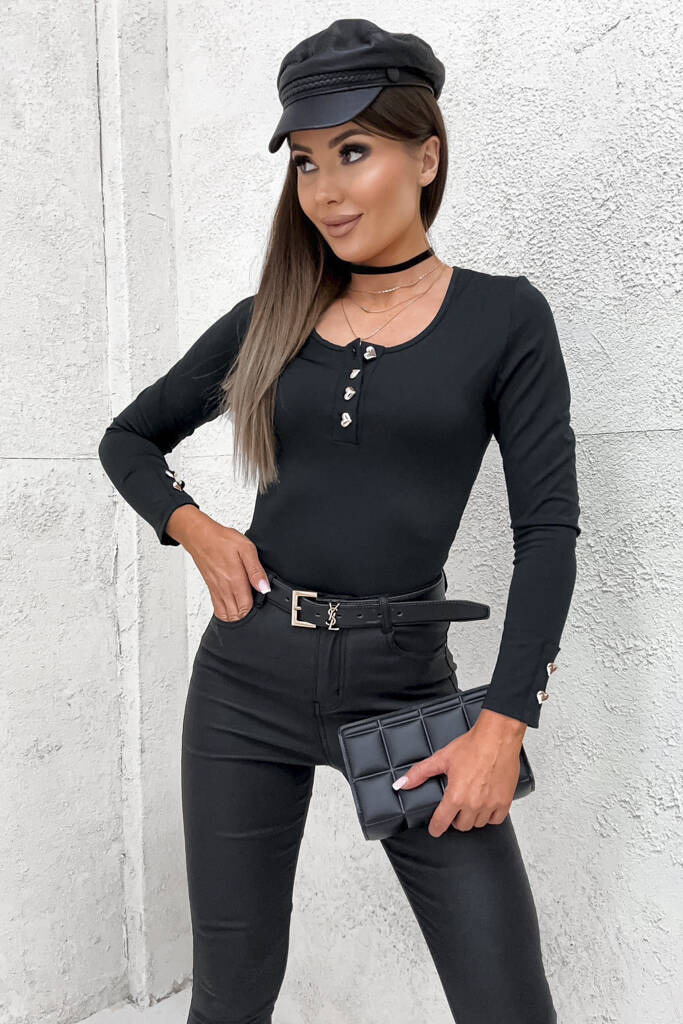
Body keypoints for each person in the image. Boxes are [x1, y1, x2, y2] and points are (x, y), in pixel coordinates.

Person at [98, 18, 581, 1024]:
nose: (322, 189)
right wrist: (194, 528)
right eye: (306, 161)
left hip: (404, 693)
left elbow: (546, 530)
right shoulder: (266, 319)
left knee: (506, 1001)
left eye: (352, 151)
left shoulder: (503, 318)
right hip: (244, 683)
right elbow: (129, 439)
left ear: (425, 156)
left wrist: (504, 721)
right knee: (229, 998)